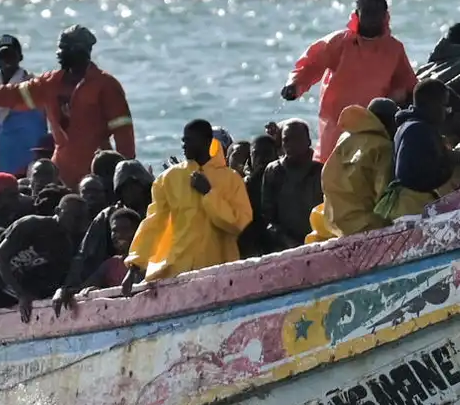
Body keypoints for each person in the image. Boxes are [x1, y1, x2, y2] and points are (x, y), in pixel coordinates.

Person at [0, 25, 135, 189]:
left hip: (95, 175)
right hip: (60, 174)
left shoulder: (106, 85)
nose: (59, 54)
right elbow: (13, 94)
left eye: (64, 49)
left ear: (81, 51)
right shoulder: (49, 83)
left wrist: (124, 175)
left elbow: (124, 133)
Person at [280, 0, 416, 162]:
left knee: (365, 167)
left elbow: (407, 82)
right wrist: (295, 85)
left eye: (376, 13)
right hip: (335, 121)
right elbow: (311, 64)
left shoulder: (394, 49)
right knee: (329, 165)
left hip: (373, 124)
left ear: (385, 16)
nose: (371, 17)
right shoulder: (339, 42)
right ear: (357, 14)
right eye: (367, 12)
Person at [122, 120, 249, 289]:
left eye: (189, 140)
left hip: (218, 273)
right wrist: (135, 265)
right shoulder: (168, 179)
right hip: (177, 271)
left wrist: (209, 194)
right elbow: (153, 224)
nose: (183, 145)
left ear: (207, 142)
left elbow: (237, 224)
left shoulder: (231, 179)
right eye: (183, 140)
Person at [58, 158, 154, 309]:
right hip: (117, 273)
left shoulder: (157, 209)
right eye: (125, 187)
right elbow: (85, 255)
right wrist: (68, 288)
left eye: (135, 185)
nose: (131, 191)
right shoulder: (109, 215)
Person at [0, 193, 90, 321]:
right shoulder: (31, 224)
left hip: (24, 293)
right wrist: (21, 294)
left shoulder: (65, 246)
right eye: (74, 216)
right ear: (57, 211)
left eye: (81, 218)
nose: (76, 222)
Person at [309, 98, 399, 242]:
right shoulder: (382, 147)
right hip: (366, 224)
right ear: (389, 122)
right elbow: (385, 197)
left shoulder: (345, 138)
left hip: (334, 222)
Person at [376, 79, 460, 223]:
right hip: (413, 208)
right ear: (432, 105)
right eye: (444, 106)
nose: (446, 112)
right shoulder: (419, 130)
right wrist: (453, 160)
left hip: (404, 204)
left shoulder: (406, 126)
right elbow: (418, 176)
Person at [0, 34, 46, 177]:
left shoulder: (37, 86)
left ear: (20, 57)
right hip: (3, 166)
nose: (7, 60)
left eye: (11, 55)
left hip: (33, 167)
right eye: (2, 56)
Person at [253, 120, 323, 256]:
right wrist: (288, 242)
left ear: (308, 141)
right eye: (286, 140)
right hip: (283, 247)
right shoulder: (274, 171)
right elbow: (268, 218)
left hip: (317, 243)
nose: (290, 145)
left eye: (296, 139)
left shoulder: (320, 171)